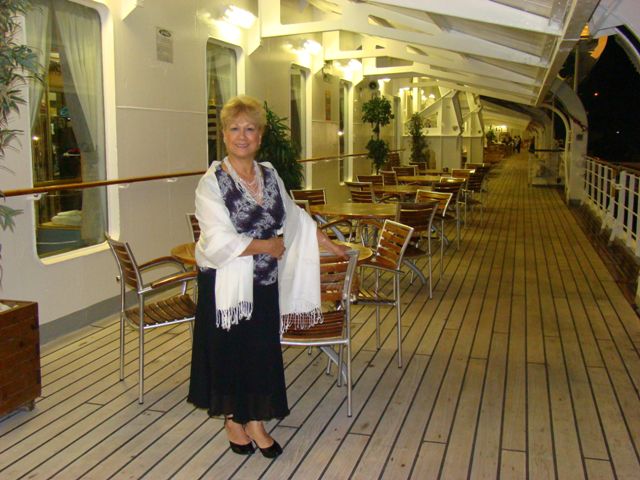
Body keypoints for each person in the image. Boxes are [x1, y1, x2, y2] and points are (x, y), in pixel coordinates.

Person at [187, 95, 347, 459]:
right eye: (234, 129)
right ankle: (233, 420)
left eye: (250, 129)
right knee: (231, 352)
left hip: (263, 285)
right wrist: (267, 246)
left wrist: (328, 242)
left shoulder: (270, 174)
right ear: (224, 135)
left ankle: (256, 421)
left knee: (259, 353)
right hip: (225, 288)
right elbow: (216, 240)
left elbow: (294, 217)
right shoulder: (211, 183)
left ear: (260, 136)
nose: (242, 136)